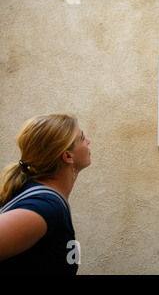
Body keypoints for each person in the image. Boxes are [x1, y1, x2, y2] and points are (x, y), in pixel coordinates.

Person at [0, 114, 91, 274]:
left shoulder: (49, 199)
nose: (88, 141)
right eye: (82, 138)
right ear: (68, 156)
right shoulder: (43, 207)